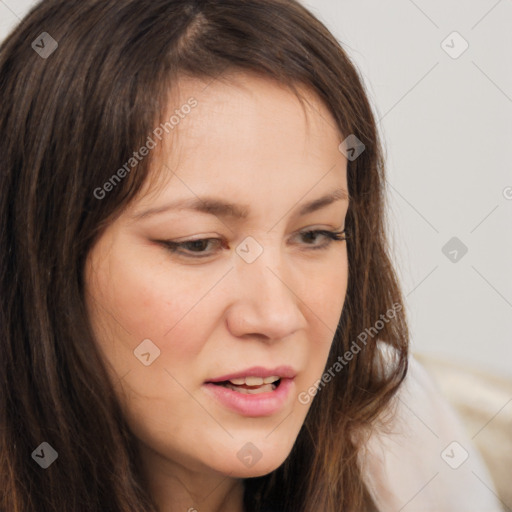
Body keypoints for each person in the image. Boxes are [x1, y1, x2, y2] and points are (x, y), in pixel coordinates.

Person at [0, 1, 501, 511]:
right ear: (40, 259)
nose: (278, 315)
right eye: (197, 244)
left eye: (315, 235)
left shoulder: (393, 432)